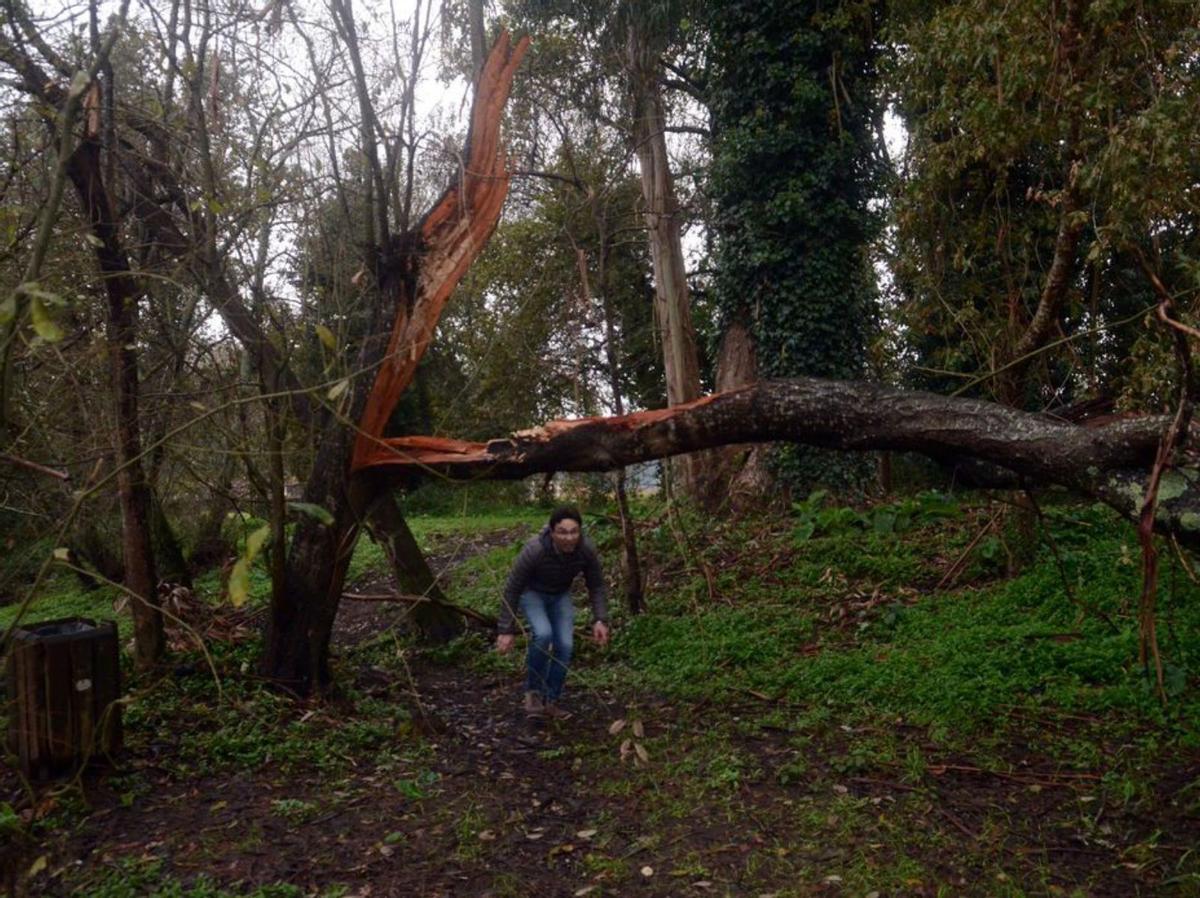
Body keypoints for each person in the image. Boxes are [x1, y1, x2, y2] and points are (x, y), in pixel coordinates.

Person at [496, 506, 611, 719]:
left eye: (574, 532)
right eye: (562, 532)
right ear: (551, 532)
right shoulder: (535, 550)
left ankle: (551, 699)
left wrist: (600, 619)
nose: (569, 538)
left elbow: (596, 585)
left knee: (565, 646)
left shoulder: (585, 550)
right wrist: (506, 629)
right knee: (543, 633)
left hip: (560, 595)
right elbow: (512, 589)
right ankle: (533, 693)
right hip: (533, 594)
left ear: (580, 531)